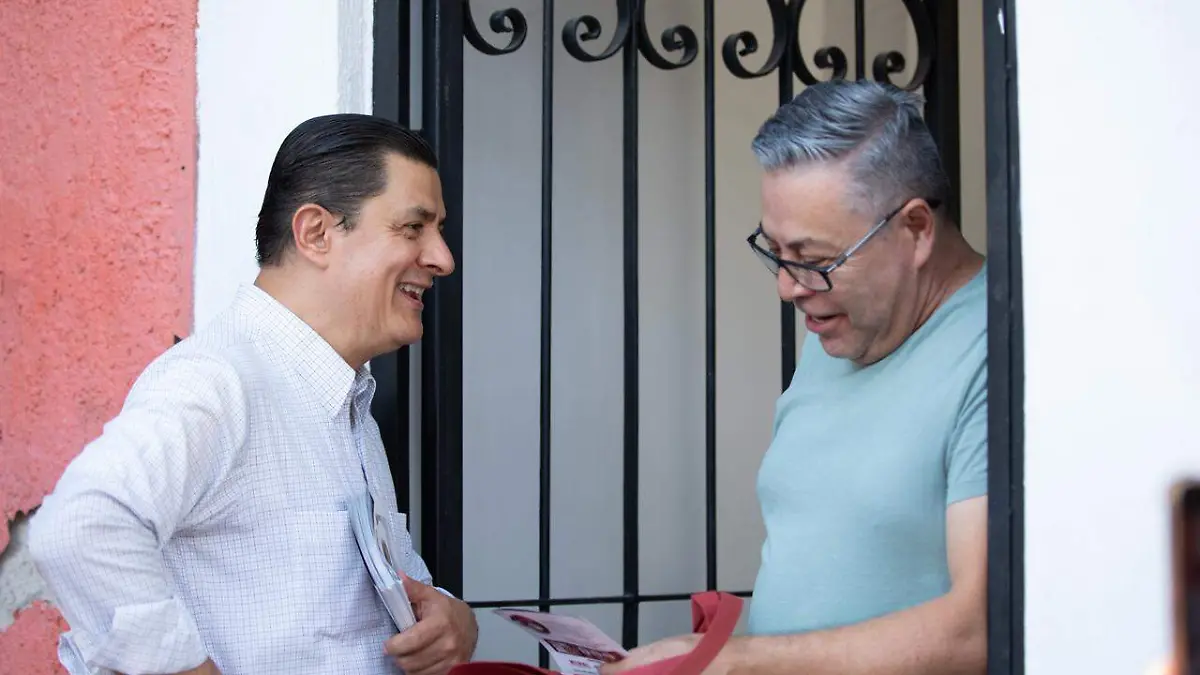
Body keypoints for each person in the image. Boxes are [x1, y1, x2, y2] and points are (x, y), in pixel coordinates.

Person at [29, 114, 477, 675]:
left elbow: (373, 594)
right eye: (413, 227)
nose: (442, 258)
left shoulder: (343, 397)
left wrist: (453, 619)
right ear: (316, 233)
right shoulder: (217, 382)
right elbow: (78, 530)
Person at [603, 80, 988, 675]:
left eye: (815, 260)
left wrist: (743, 663)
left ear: (915, 229)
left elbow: (981, 628)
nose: (788, 287)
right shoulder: (843, 329)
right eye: (777, 253)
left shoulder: (1001, 353)